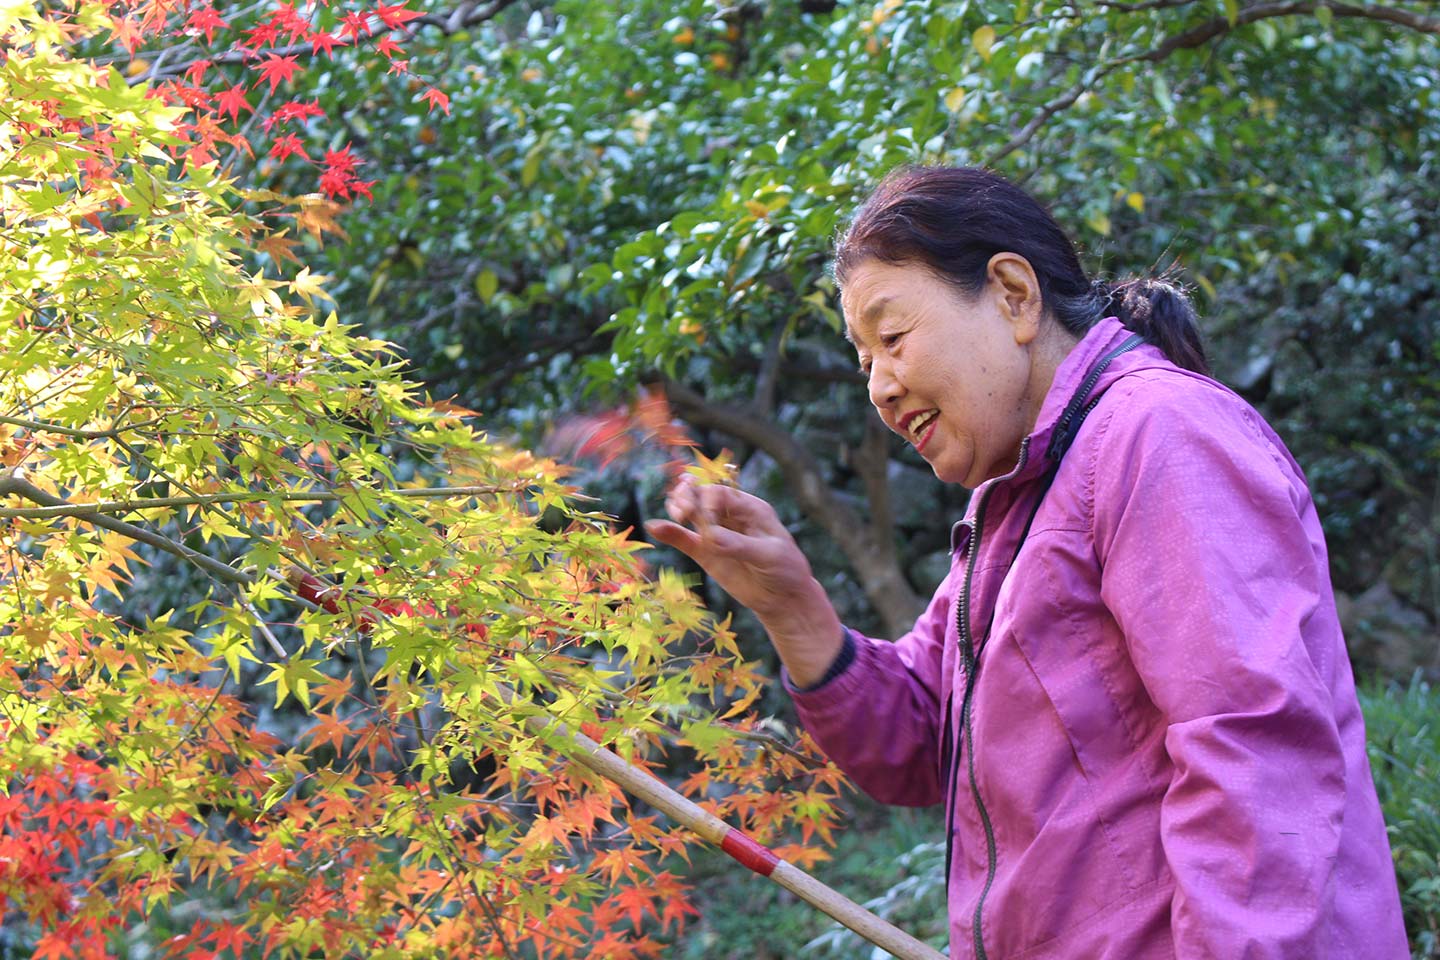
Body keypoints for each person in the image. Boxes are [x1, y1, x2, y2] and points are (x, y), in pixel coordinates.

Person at [645, 166, 1410, 959]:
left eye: (892, 336)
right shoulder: (1014, 497)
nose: (877, 385)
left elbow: (1255, 760)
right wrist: (791, 605)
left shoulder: (1160, 433)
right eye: (862, 356)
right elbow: (924, 740)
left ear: (1013, 293)